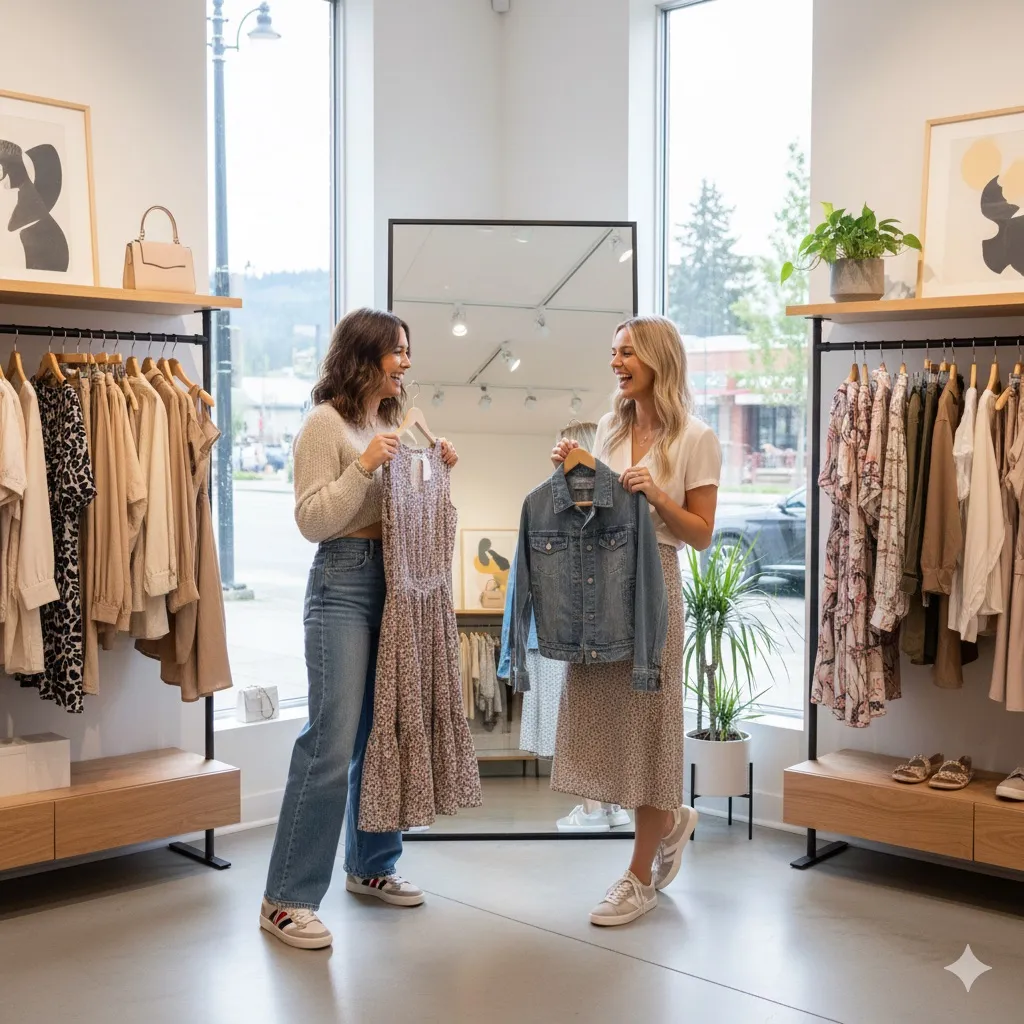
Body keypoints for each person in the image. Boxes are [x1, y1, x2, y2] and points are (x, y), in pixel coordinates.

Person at [260, 307, 458, 950]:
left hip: (397, 584)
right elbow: (313, 519)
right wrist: (365, 465)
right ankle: (285, 899)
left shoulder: (391, 423)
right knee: (331, 739)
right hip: (342, 584)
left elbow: (413, 508)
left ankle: (372, 866)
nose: (405, 362)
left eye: (408, 351)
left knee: (383, 731)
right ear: (364, 354)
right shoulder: (326, 424)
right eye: (396, 351)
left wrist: (437, 467)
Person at [550, 314, 721, 927]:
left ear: (656, 359)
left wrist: (657, 495)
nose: (616, 363)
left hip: (656, 585)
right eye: (613, 353)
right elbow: (591, 515)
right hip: (602, 582)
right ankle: (669, 815)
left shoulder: (696, 437)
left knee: (649, 724)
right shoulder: (607, 429)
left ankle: (637, 876)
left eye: (626, 353)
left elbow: (700, 535)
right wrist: (575, 474)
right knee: (604, 714)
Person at [497, 420, 630, 833]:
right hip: (603, 633)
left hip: (554, 634)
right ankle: (609, 807)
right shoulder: (557, 503)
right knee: (598, 722)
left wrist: (513, 653)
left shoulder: (564, 507)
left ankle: (593, 809)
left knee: (575, 726)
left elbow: (522, 584)